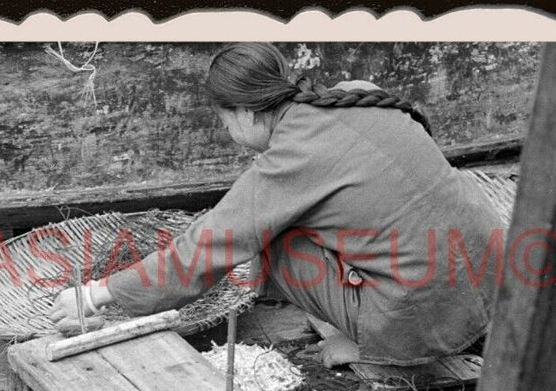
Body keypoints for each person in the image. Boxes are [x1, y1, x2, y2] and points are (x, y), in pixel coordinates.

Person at [49, 43, 504, 370]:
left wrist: (94, 294)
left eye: (225, 121)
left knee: (276, 244)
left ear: (247, 114)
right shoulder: (357, 92)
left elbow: (205, 249)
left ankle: (392, 358)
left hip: (425, 316)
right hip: (493, 273)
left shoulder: (293, 157)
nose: (230, 131)